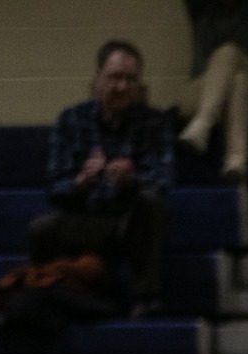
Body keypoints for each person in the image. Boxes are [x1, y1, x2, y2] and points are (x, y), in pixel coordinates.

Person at [32, 41, 173, 319]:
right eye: (114, 78)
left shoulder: (154, 122)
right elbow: (54, 187)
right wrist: (81, 180)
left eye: (130, 80)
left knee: (152, 204)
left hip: (129, 222)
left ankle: (146, 298)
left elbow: (163, 181)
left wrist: (133, 179)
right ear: (97, 79)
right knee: (40, 229)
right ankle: (58, 294)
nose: (122, 87)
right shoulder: (72, 119)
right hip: (86, 219)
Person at [178, 0, 248, 182]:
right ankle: (237, 161)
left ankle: (202, 125)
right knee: (239, 82)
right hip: (202, 89)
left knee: (229, 52)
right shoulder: (200, 10)